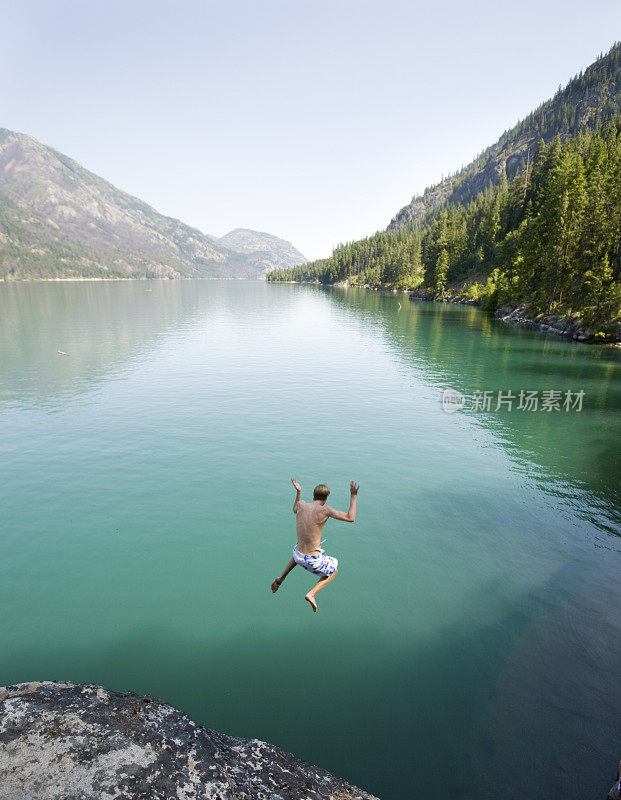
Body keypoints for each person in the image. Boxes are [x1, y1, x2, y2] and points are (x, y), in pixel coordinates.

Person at [271, 478, 359, 612]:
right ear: (326, 498)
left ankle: (281, 577)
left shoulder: (301, 504)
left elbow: (295, 509)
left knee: (299, 548)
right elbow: (350, 517)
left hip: (297, 555)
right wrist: (353, 496)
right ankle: (312, 593)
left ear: (313, 495)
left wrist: (298, 491)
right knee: (334, 569)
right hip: (312, 561)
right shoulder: (325, 510)